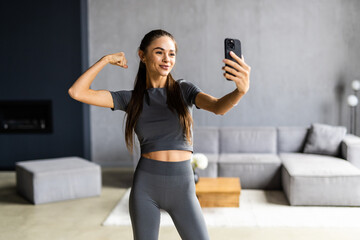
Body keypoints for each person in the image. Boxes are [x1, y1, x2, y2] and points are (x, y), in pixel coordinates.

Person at [68, 29, 250, 240]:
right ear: (142, 56)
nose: (167, 59)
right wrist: (106, 59)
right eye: (159, 52)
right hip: (146, 187)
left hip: (182, 187)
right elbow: (77, 92)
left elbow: (218, 107)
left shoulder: (184, 90)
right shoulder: (131, 99)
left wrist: (240, 91)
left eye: (172, 54)